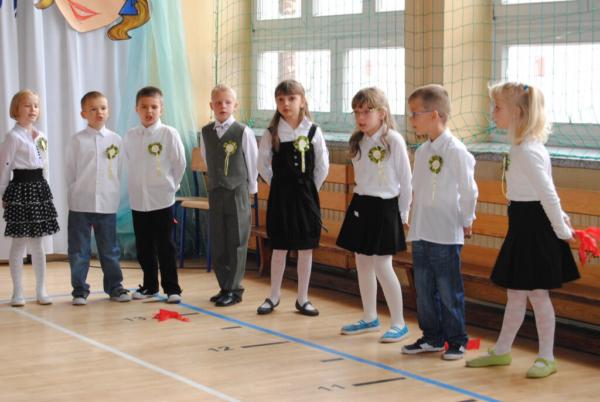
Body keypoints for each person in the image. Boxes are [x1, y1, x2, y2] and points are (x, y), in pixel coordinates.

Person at [465, 83, 580, 377]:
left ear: (517, 112)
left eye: (497, 107)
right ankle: (502, 350)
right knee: (516, 294)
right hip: (522, 227)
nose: (493, 113)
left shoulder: (528, 151)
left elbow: (548, 194)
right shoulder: (521, 148)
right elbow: (545, 192)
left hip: (535, 231)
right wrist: (561, 219)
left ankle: (546, 357)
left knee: (538, 295)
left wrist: (561, 229)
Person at [401, 84, 478, 360]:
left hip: (445, 230)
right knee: (423, 289)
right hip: (422, 228)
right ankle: (432, 336)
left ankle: (457, 339)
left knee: (448, 289)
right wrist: (410, 215)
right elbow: (416, 187)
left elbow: (469, 190)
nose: (412, 119)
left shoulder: (456, 150)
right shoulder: (423, 151)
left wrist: (467, 219)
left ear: (434, 115)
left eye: (415, 113)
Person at [336, 87, 412, 343]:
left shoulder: (393, 140)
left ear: (382, 113)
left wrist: (403, 213)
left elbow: (406, 180)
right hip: (362, 204)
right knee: (363, 262)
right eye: (357, 112)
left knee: (382, 264)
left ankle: (399, 322)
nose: (361, 117)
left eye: (367, 111)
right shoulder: (357, 141)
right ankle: (370, 316)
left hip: (385, 206)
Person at [256, 79, 329, 316]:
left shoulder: (313, 131)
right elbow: (262, 164)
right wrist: (278, 185)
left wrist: (308, 189)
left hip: (306, 197)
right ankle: (274, 296)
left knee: (306, 248)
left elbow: (322, 166)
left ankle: (303, 298)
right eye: (281, 99)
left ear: (302, 101)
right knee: (279, 247)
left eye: (291, 98)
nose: (286, 103)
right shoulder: (272, 133)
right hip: (281, 196)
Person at [65, 91, 131, 306]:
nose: (99, 112)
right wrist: (75, 192)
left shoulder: (116, 140)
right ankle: (79, 290)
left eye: (103, 108)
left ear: (108, 111)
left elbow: (118, 169)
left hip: (106, 204)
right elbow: (70, 171)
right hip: (80, 204)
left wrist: (111, 192)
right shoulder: (77, 140)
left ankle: (115, 287)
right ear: (84, 114)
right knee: (79, 250)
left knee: (109, 249)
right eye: (93, 109)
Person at [123, 86, 186, 304]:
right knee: (144, 247)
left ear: (161, 109)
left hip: (162, 200)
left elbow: (179, 164)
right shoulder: (130, 136)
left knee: (165, 245)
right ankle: (149, 286)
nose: (149, 111)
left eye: (154, 107)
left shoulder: (169, 134)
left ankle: (172, 289)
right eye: (144, 107)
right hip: (139, 201)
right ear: (136, 109)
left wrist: (171, 186)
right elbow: (127, 162)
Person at [199, 84, 258, 307]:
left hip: (237, 192)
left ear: (235, 105)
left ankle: (235, 288)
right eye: (218, 102)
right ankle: (224, 286)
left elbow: (251, 161)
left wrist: (251, 190)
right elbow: (207, 158)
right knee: (219, 240)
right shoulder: (206, 132)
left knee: (237, 240)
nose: (222, 106)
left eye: (227, 102)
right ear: (211, 105)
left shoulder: (243, 132)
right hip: (216, 191)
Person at [0, 89, 60, 306]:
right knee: (19, 242)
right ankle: (17, 292)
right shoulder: (12, 137)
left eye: (35, 105)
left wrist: (46, 191)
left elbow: (45, 164)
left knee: (37, 243)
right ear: (16, 110)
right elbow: (4, 167)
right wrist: (3, 193)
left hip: (38, 190)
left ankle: (41, 289)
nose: (33, 109)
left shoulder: (40, 136)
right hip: (20, 190)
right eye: (27, 105)